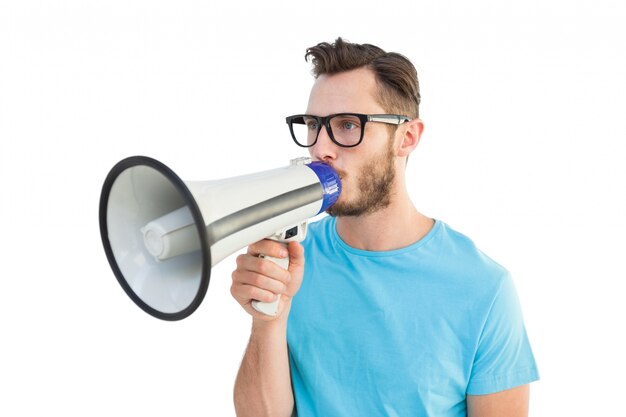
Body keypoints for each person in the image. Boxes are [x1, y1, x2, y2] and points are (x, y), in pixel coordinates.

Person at [230, 37, 539, 417]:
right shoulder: (292, 262)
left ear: (407, 138)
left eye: (347, 125)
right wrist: (269, 321)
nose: (321, 149)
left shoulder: (483, 288)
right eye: (313, 125)